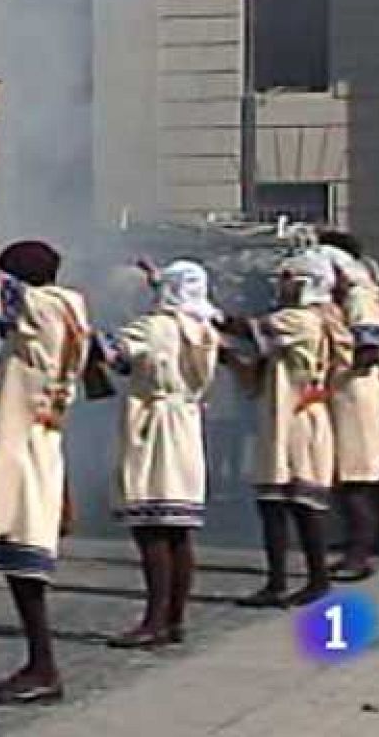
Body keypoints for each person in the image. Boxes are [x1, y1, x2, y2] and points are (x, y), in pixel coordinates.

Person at [0, 169, 89, 704]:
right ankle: (38, 661)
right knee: (21, 564)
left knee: (26, 564)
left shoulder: (43, 307)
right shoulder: (68, 309)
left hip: (27, 448)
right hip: (39, 443)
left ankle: (44, 666)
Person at [99, 260, 220, 649]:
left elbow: (116, 357)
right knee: (180, 531)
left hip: (155, 426)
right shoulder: (203, 327)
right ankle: (175, 617)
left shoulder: (152, 327)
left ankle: (154, 620)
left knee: (151, 526)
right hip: (186, 422)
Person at [218, 250, 337, 609]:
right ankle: (279, 580)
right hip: (281, 414)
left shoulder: (302, 319)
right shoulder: (304, 318)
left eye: (288, 280)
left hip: (298, 419)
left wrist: (209, 315)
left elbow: (249, 329)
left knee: (302, 505)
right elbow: (257, 356)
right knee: (274, 504)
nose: (281, 286)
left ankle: (315, 579)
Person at [316, 237, 379, 582]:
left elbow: (368, 349)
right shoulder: (359, 294)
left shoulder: (359, 296)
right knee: (350, 479)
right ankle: (356, 546)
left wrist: (335, 368)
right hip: (351, 393)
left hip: (356, 394)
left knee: (358, 478)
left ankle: (359, 555)